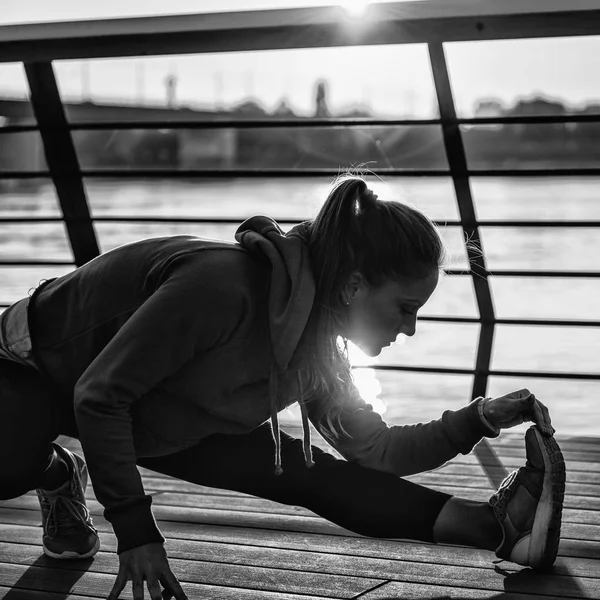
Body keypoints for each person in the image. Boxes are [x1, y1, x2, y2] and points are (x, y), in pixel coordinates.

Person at [0, 174, 565, 600]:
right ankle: (54, 470)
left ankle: (499, 527)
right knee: (8, 459)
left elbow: (377, 450)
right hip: (38, 367)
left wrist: (479, 417)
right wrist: (135, 528)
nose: (410, 328)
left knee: (311, 475)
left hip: (161, 412)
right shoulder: (220, 288)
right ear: (351, 285)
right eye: (405, 308)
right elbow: (99, 395)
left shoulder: (316, 349)